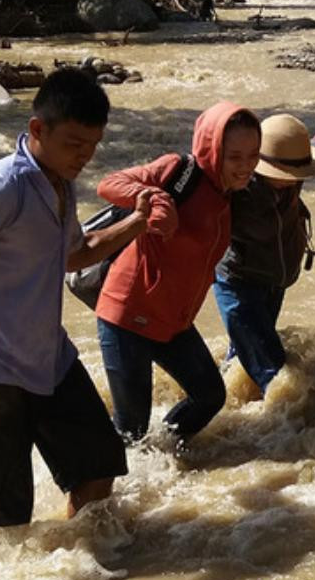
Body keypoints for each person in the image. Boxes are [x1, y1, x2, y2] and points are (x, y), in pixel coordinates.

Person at [0, 68, 147, 544]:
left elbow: (73, 254)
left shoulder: (60, 180)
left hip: (49, 359)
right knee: (6, 524)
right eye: (75, 143)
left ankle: (79, 560)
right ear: (37, 130)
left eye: (94, 145)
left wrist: (137, 223)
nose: (86, 157)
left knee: (99, 474)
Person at [94, 102, 262, 444]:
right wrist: (153, 198)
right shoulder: (178, 170)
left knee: (211, 397)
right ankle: (106, 489)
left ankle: (166, 462)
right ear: (212, 149)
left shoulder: (229, 192)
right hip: (128, 316)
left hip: (173, 323)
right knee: (132, 429)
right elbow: (109, 183)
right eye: (235, 157)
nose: (246, 167)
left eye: (253, 155)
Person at [213, 113, 315, 395]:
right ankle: (284, 431)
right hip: (239, 284)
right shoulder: (236, 188)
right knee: (273, 371)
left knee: (244, 356)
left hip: (274, 283)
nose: (292, 181)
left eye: (297, 175)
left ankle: (239, 407)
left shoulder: (295, 171)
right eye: (284, 175)